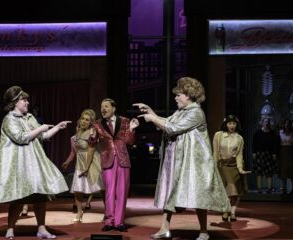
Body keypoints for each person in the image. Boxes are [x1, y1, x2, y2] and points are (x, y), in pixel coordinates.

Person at [133, 77, 230, 240]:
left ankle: (204, 231)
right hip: (177, 160)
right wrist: (151, 112)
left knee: (198, 194)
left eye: (179, 95)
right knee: (171, 192)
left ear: (189, 95)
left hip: (193, 163)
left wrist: (153, 119)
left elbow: (173, 128)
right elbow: (167, 122)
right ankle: (164, 228)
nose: (176, 97)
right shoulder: (181, 111)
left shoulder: (196, 112)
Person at [0, 86, 70, 240]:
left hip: (35, 164)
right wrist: (40, 128)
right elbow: (20, 137)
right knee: (18, 198)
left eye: (26, 99)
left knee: (40, 196)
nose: (27, 102)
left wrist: (58, 127)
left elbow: (43, 136)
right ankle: (10, 229)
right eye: (24, 99)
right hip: (19, 166)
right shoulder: (9, 119)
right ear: (14, 102)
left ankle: (41, 228)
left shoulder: (30, 117)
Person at [92, 98, 139, 232]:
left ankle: (119, 222)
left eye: (106, 106)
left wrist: (132, 130)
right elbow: (93, 142)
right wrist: (91, 136)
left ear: (114, 108)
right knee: (109, 193)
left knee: (122, 192)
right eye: (102, 107)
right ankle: (109, 221)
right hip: (107, 160)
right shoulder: (97, 124)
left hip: (123, 159)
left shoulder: (124, 121)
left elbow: (129, 141)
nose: (103, 109)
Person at [62, 109, 105, 222]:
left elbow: (91, 150)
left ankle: (108, 212)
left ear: (91, 122)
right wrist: (67, 161)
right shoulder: (77, 133)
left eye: (87, 120)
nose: (84, 121)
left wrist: (87, 167)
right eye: (83, 119)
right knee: (78, 189)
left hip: (91, 161)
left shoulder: (92, 132)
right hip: (80, 163)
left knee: (101, 188)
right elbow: (73, 151)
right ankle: (79, 213)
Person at [213, 115, 251, 222]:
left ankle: (232, 212)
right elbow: (215, 152)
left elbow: (239, 155)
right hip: (223, 166)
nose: (232, 126)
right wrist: (214, 166)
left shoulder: (239, 138)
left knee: (236, 192)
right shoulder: (218, 135)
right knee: (230, 189)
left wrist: (240, 169)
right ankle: (226, 210)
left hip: (234, 166)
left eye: (234, 123)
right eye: (229, 123)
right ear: (225, 124)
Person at [252, 118, 278, 193]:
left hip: (269, 154)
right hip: (259, 154)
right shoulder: (257, 133)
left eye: (268, 122)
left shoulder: (272, 133)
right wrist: (254, 153)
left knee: (269, 172)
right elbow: (254, 143)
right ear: (262, 123)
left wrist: (274, 153)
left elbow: (274, 144)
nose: (266, 123)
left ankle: (269, 188)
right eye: (265, 122)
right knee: (259, 172)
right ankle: (259, 189)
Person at [278, 119, 293, 194]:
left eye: (288, 123)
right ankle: (284, 188)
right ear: (284, 124)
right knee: (283, 171)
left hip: (291, 152)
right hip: (283, 152)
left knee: (292, 171)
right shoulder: (280, 132)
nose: (287, 125)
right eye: (286, 123)